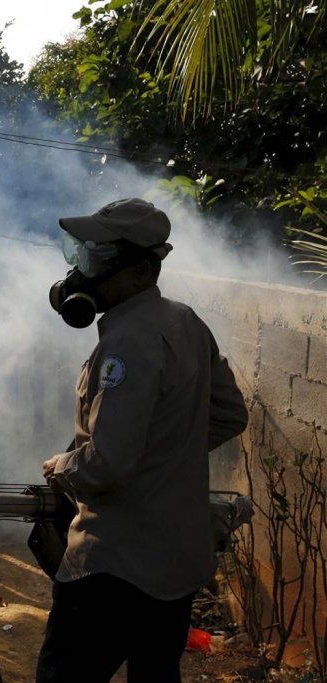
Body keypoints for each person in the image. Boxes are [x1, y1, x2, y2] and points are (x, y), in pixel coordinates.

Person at [37, 198, 249, 683]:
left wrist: (61, 466)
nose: (78, 273)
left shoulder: (125, 345)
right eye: (79, 256)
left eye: (92, 261)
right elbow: (230, 414)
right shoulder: (185, 322)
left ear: (139, 272)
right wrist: (165, 453)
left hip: (112, 567)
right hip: (173, 564)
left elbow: (107, 465)